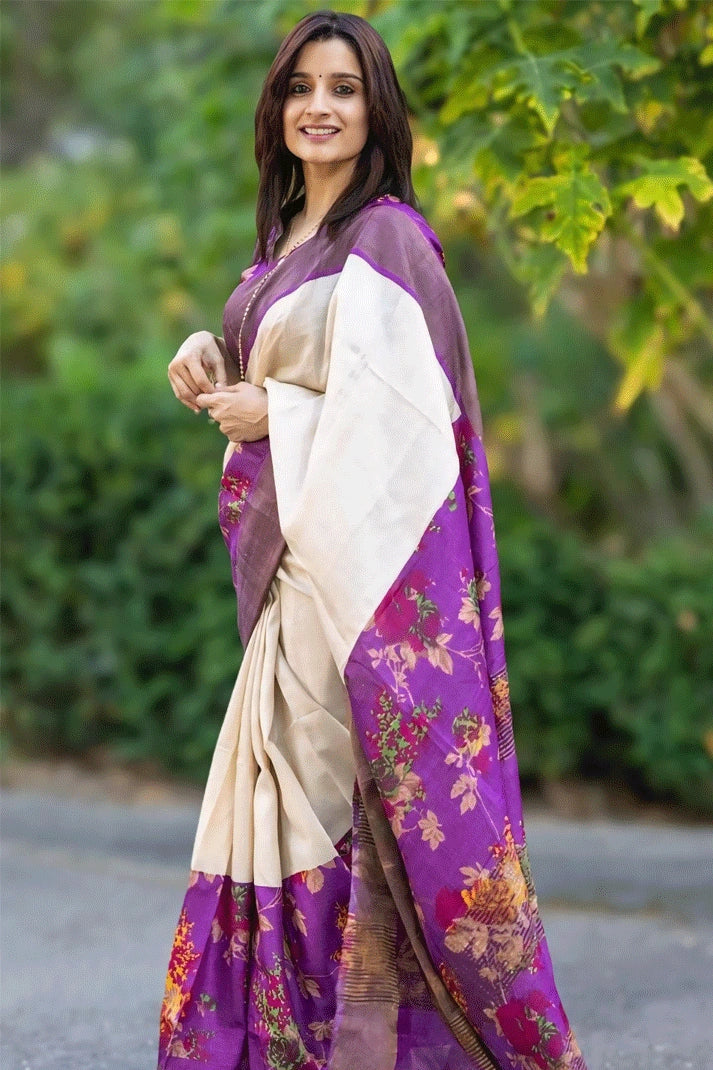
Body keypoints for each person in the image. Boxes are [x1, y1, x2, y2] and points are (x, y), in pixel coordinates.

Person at [159, 10, 587, 1070]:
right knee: (278, 827)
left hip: (356, 604)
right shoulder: (280, 249)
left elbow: (409, 433)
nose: (319, 106)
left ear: (374, 108)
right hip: (291, 607)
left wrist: (283, 417)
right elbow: (291, 361)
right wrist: (214, 349)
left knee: (338, 833)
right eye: (301, 86)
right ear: (275, 107)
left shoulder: (388, 236)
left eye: (343, 87)